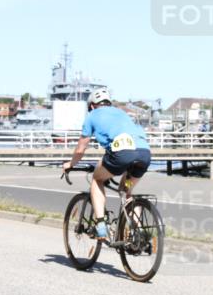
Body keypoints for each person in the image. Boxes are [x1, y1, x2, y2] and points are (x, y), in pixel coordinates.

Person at [62, 90, 152, 240]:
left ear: (92, 106)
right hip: (144, 155)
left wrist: (70, 164)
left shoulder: (92, 115)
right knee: (126, 190)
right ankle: (137, 232)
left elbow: (80, 149)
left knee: (97, 179)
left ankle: (101, 226)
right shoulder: (121, 113)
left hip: (122, 154)